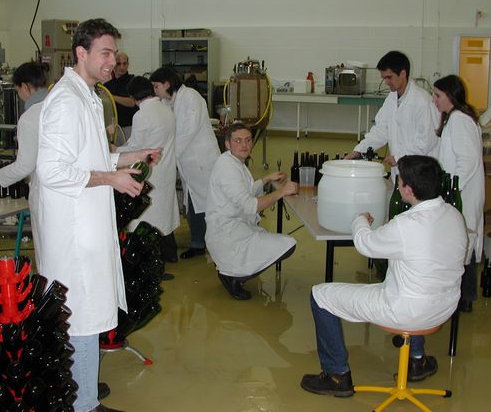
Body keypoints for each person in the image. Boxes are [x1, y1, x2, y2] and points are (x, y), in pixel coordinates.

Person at [35, 18, 160, 412]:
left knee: (86, 319)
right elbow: (51, 171)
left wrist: (131, 156)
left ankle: (85, 399)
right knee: (81, 320)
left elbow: (91, 156)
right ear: (81, 53)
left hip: (88, 229)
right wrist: (111, 178)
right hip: (73, 235)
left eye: (114, 53)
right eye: (105, 53)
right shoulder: (65, 102)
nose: (112, 61)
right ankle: (83, 405)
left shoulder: (88, 96)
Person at [300, 155, 467, 397]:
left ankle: (337, 375)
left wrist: (360, 220)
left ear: (408, 189)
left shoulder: (405, 224)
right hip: (444, 307)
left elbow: (365, 244)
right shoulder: (454, 215)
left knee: (320, 295)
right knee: (415, 284)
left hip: (406, 311)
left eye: (399, 180)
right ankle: (417, 361)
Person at [205, 123, 297, 300]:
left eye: (248, 140)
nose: (244, 145)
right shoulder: (227, 168)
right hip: (226, 234)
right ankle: (232, 277)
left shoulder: (234, 162)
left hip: (235, 228)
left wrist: (266, 179)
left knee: (276, 243)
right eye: (238, 141)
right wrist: (281, 192)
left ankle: (232, 270)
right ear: (227, 144)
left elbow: (245, 192)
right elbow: (250, 205)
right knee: (288, 244)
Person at [149, 66, 220, 260]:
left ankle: (208, 243)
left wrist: (166, 157)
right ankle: (198, 242)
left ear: (167, 84)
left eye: (156, 86)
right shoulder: (168, 101)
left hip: (201, 160)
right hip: (188, 162)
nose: (155, 91)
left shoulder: (189, 96)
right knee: (192, 203)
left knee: (206, 204)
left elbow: (186, 131)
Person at [433, 75, 485, 313]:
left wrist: (452, 190)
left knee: (463, 241)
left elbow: (468, 160)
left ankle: (464, 298)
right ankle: (463, 296)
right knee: (462, 241)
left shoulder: (459, 120)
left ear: (451, 96)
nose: (434, 100)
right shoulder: (454, 118)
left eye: (438, 95)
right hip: (460, 191)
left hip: (463, 193)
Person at [116, 76, 180, 264]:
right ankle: (170, 253)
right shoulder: (166, 109)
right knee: (164, 213)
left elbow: (135, 148)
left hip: (151, 172)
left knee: (148, 216)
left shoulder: (142, 115)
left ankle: (153, 259)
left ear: (133, 96)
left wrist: (114, 150)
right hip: (166, 169)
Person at [345, 51, 439, 177]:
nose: (386, 82)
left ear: (403, 74)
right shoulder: (392, 98)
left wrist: (400, 157)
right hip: (401, 170)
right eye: (384, 78)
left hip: (421, 170)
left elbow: (427, 141)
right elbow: (380, 130)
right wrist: (359, 150)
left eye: (389, 77)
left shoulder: (422, 101)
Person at [0, 61, 48, 202]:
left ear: (24, 87)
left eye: (17, 91)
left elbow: (25, 165)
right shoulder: (59, 106)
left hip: (47, 192)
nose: (19, 96)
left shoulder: (29, 118)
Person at [102, 52, 136, 142]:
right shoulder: (107, 85)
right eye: (118, 64)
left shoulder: (133, 82)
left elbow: (132, 102)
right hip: (112, 128)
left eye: (124, 64)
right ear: (113, 65)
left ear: (128, 64)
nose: (122, 67)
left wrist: (111, 97)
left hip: (129, 127)